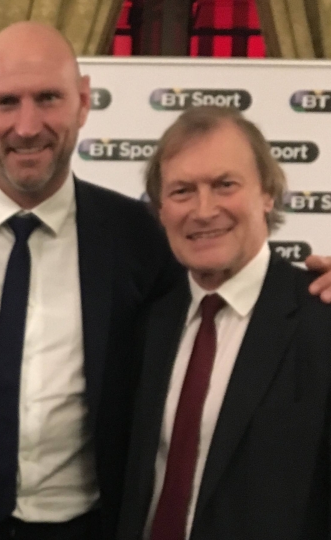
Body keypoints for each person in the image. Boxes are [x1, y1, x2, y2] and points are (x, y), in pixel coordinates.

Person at [0, 21, 331, 540]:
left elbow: (242, 283)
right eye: (5, 102)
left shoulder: (141, 242)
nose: (26, 125)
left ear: (83, 101)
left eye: (48, 98)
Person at [117, 106, 331, 540]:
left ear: (268, 193)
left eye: (224, 185)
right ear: (160, 210)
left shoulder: (321, 319)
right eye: (182, 191)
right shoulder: (148, 323)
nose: (203, 209)